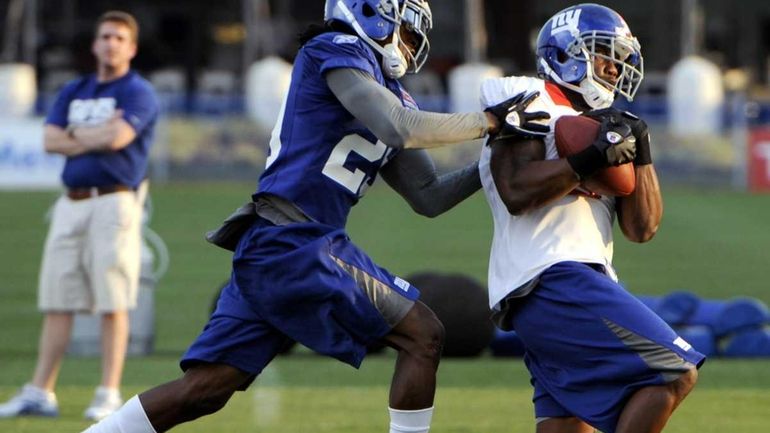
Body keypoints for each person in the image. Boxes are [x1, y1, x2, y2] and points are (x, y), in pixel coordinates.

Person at [81, 1, 542, 432]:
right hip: (295, 239)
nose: (409, 43)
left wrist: (491, 161)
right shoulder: (335, 48)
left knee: (206, 390)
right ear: (372, 13)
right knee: (423, 334)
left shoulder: (390, 90)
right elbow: (398, 128)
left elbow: (429, 196)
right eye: (403, 28)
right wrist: (491, 122)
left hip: (278, 244)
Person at [477, 4, 705, 433]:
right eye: (605, 54)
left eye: (621, 59)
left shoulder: (606, 123)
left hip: (574, 282)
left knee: (567, 426)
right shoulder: (530, 96)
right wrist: (587, 159)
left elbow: (643, 228)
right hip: (550, 275)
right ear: (564, 53)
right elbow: (516, 190)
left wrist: (641, 150)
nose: (615, 69)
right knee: (674, 369)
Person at [0, 11, 159, 422]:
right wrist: (91, 138)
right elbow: (49, 140)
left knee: (113, 299)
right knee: (58, 298)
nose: (110, 44)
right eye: (105, 36)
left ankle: (108, 391)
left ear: (131, 48)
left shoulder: (138, 92)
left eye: (119, 38)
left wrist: (75, 138)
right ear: (95, 44)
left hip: (114, 201)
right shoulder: (75, 89)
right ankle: (41, 391)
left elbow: (119, 137)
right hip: (70, 202)